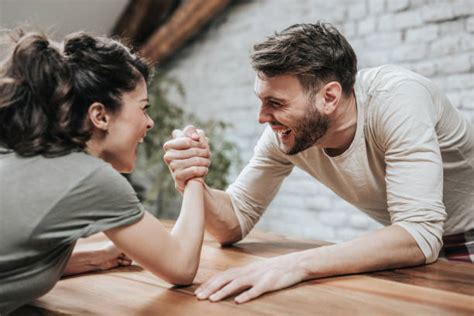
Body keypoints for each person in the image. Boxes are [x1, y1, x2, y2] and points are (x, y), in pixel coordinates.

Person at [163, 21, 474, 303]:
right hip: (429, 245)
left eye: (276, 103)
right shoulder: (286, 135)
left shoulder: (398, 100)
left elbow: (420, 235)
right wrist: (193, 181)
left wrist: (295, 264)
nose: (262, 118)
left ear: (329, 97)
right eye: (262, 100)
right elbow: (235, 220)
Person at [0, 30, 208, 314]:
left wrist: (95, 258)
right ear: (100, 116)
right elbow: (181, 266)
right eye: (143, 108)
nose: (149, 123)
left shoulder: (23, 153)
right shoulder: (88, 177)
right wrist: (194, 171)